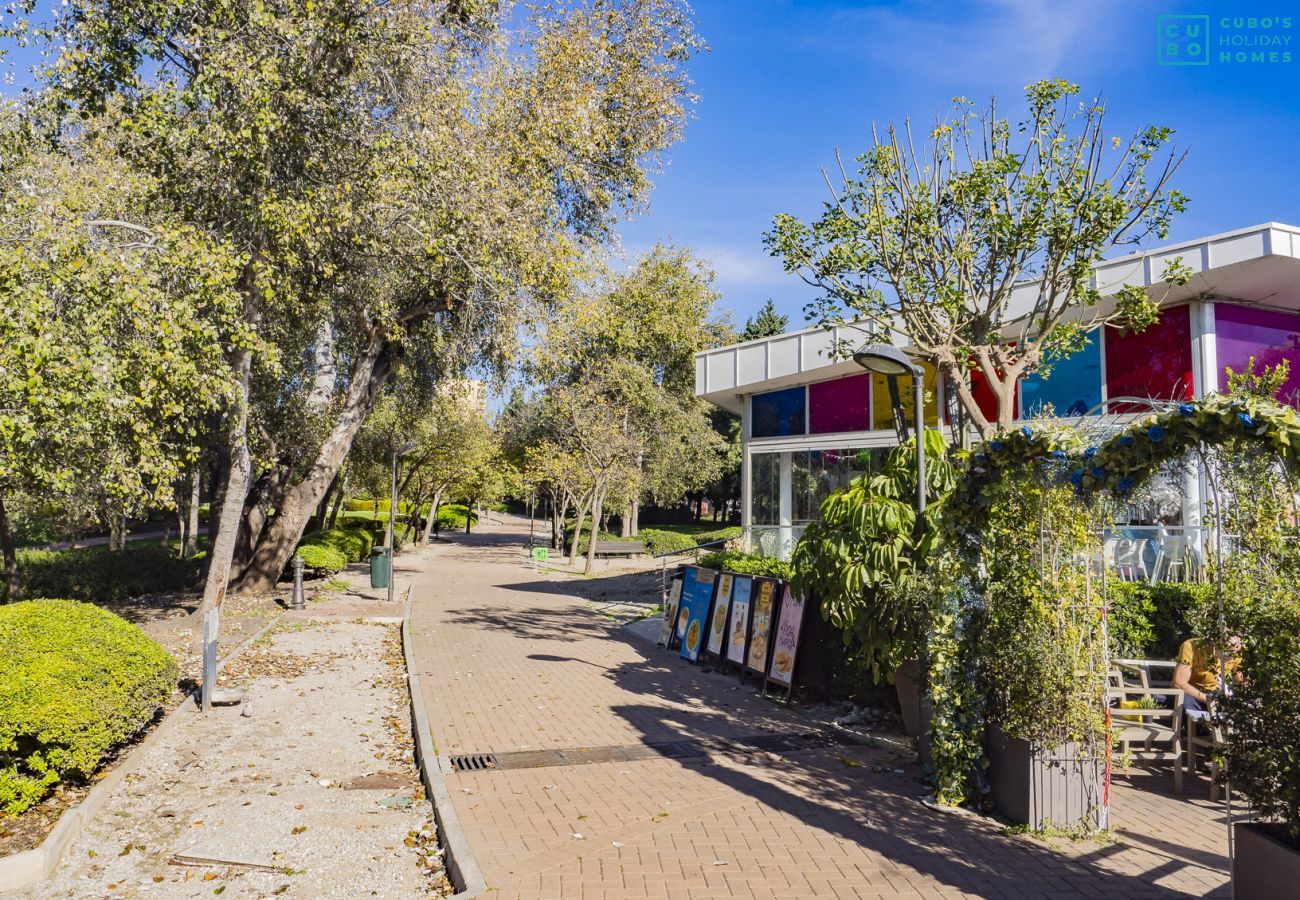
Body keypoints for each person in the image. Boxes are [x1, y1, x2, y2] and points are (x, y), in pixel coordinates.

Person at [1172, 634, 1243, 716]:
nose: (1230, 658)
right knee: (1186, 703)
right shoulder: (1192, 646)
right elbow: (1178, 683)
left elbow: (1239, 677)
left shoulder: (1238, 651)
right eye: (1227, 654)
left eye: (1233, 654)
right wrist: (1208, 699)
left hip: (1216, 692)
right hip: (1192, 692)